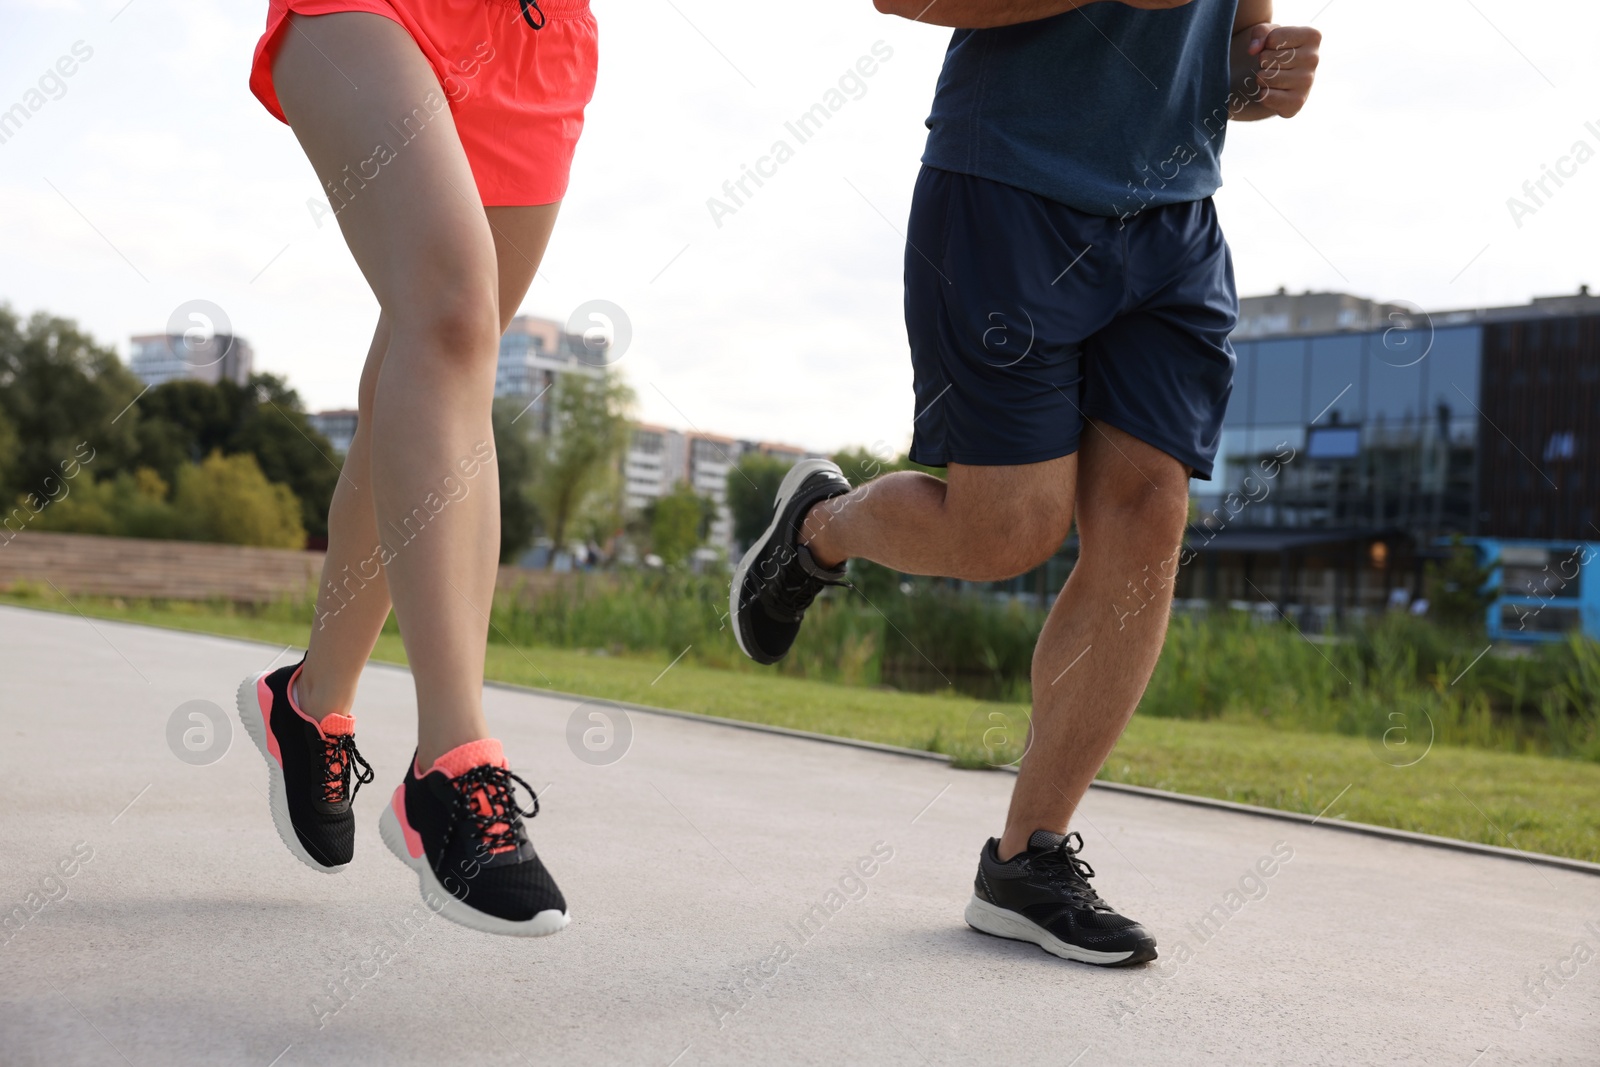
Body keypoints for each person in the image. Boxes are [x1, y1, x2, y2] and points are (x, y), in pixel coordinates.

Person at [732, 0, 1320, 966]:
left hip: (1174, 219)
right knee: (1005, 535)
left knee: (1151, 514)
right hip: (1009, 185)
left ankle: (1025, 861)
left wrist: (1262, 80)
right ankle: (819, 529)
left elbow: (1230, 55)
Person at [234, 0, 598, 937]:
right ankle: (452, 768)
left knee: (431, 365)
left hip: (537, 37)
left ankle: (312, 707)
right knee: (451, 314)